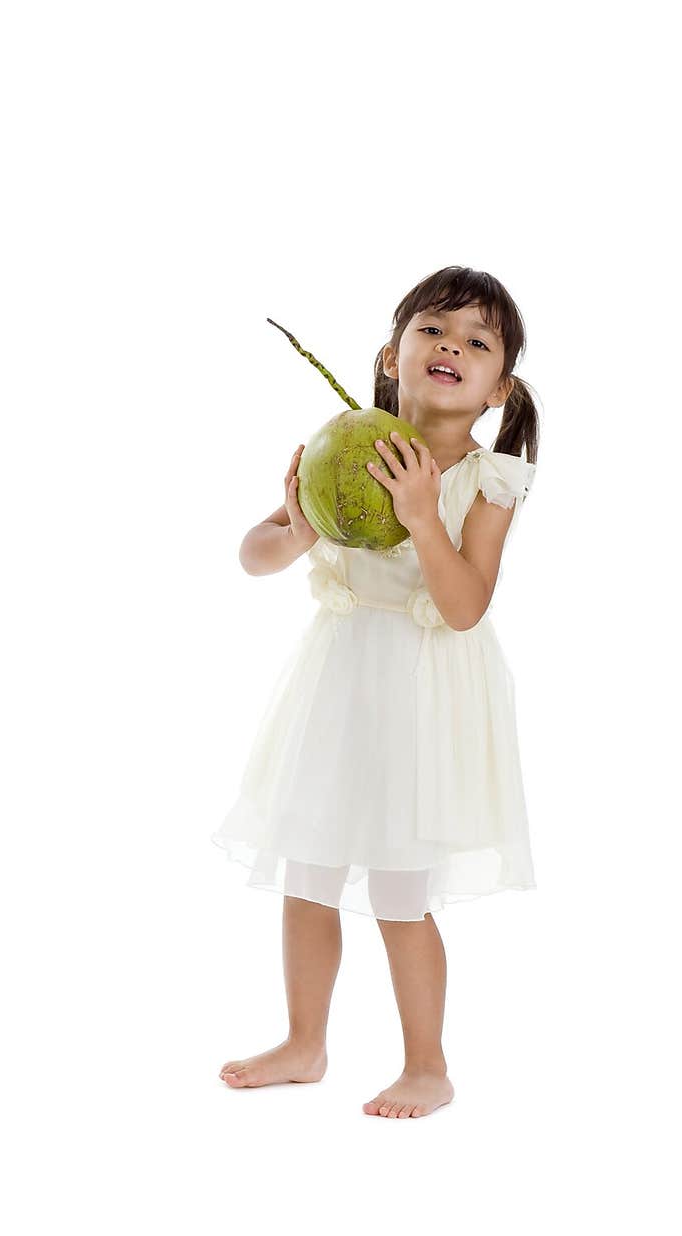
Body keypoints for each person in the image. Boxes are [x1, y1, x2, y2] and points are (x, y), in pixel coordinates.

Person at [211, 264, 540, 1118]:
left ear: (498, 387)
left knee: (401, 890)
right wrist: (297, 522)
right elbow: (257, 555)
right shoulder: (344, 445)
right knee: (308, 872)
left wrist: (425, 515)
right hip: (339, 683)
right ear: (392, 355)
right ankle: (304, 1042)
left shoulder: (489, 480)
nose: (451, 348)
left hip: (425, 698)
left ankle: (427, 1064)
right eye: (433, 330)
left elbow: (465, 607)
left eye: (477, 342)